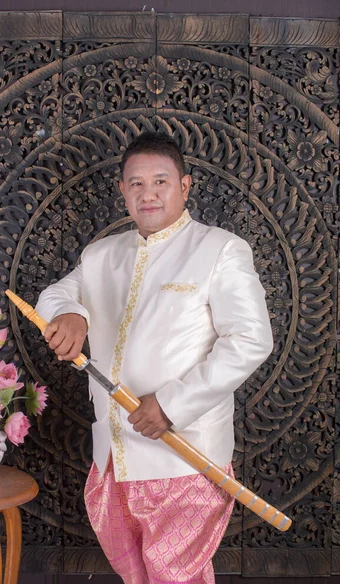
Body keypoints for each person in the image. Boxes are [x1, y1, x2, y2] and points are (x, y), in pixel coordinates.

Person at [35, 132, 273, 584]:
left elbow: (251, 339)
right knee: (137, 577)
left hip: (183, 455)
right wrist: (70, 313)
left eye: (161, 181)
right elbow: (59, 292)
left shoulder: (220, 249)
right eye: (136, 183)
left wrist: (170, 404)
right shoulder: (102, 254)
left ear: (185, 186)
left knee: (175, 576)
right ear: (122, 190)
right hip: (113, 457)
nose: (148, 193)